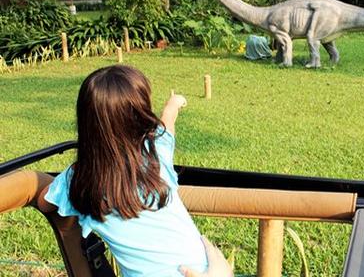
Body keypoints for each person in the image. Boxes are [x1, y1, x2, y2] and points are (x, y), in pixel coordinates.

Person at [36, 65, 232, 276]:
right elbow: (167, 125)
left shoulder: (78, 178)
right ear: (141, 114)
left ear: (86, 123)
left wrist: (37, 183)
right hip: (205, 268)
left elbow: (44, 202)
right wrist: (173, 105)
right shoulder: (155, 151)